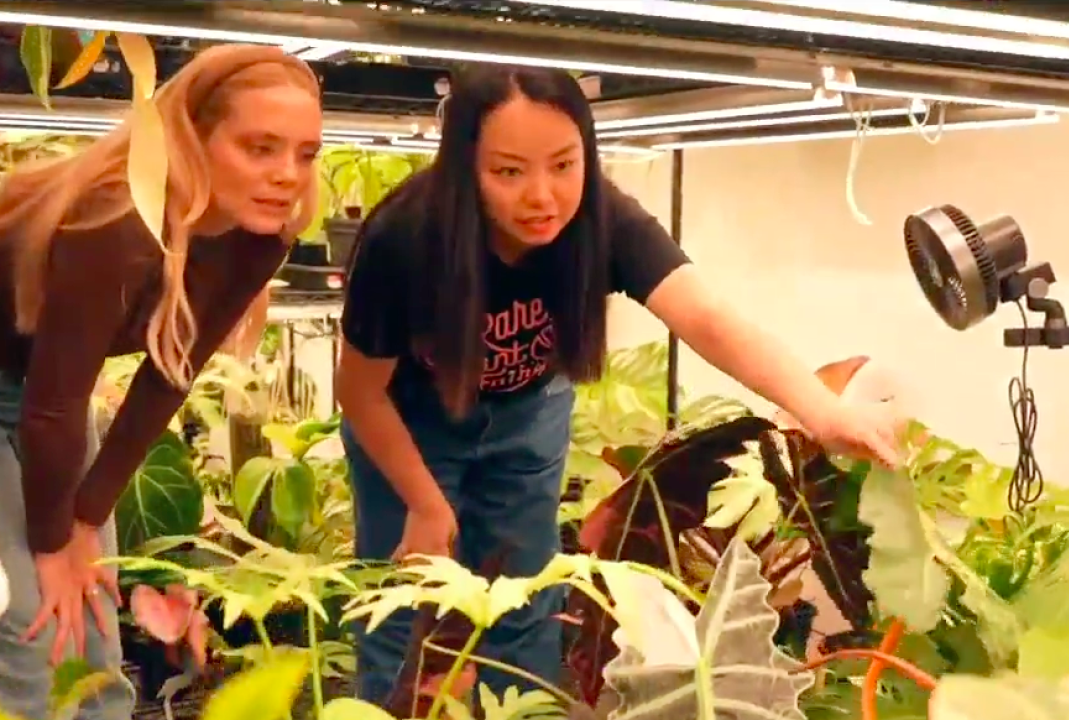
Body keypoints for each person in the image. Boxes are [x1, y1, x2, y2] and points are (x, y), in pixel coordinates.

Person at [336, 64, 907, 703]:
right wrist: (424, 504)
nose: (541, 196)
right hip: (409, 420)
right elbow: (358, 392)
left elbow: (708, 319)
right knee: (399, 609)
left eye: (563, 164)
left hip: (527, 413)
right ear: (464, 166)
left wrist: (823, 413)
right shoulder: (406, 239)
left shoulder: (606, 222)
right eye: (508, 172)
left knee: (527, 603)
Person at [0, 44, 322, 720]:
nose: (286, 175)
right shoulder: (119, 218)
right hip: (39, 398)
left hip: (39, 392)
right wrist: (54, 542)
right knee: (32, 630)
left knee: (93, 622)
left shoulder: (263, 231)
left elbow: (171, 373)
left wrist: (86, 519)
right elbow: (52, 409)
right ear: (195, 140)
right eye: (260, 148)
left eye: (305, 153)